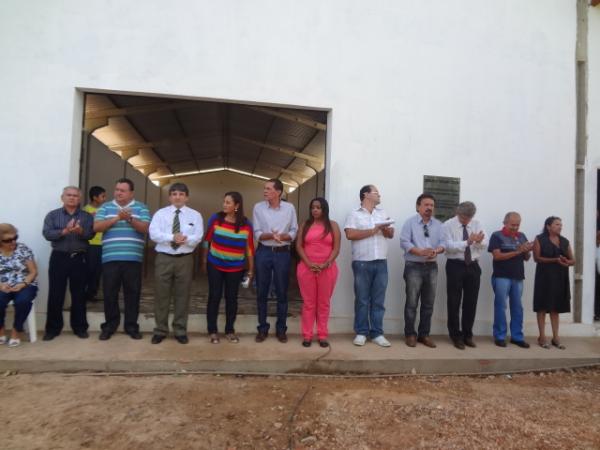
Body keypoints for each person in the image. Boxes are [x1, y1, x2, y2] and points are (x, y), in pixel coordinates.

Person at [93, 178, 150, 340]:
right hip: (110, 258)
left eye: (122, 190)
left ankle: (131, 327)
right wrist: (117, 218)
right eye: (117, 189)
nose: (118, 192)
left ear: (131, 193)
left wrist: (130, 219)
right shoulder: (105, 207)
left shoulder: (141, 208)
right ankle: (109, 326)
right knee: (110, 294)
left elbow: (146, 229)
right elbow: (96, 227)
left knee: (132, 294)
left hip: (133, 259)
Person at [149, 183, 203, 345]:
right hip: (164, 258)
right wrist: (172, 237)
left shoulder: (195, 215)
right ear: (169, 197)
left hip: (185, 259)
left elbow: (198, 236)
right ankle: (160, 330)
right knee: (161, 295)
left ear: (187, 197)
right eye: (174, 194)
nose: (177, 197)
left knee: (182, 295)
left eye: (181, 194)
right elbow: (154, 233)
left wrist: (185, 239)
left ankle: (180, 330)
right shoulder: (160, 214)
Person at [344, 185, 395, 347]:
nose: (379, 194)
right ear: (366, 195)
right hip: (361, 262)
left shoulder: (382, 213)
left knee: (378, 300)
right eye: (376, 192)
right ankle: (361, 332)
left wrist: (384, 229)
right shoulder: (354, 214)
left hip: (381, 261)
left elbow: (391, 234)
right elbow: (350, 234)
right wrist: (373, 230)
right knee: (362, 299)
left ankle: (377, 333)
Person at [42, 186, 94, 340]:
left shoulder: (86, 217)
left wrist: (80, 232)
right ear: (62, 197)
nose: (72, 198)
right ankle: (52, 329)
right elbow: (46, 233)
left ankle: (79, 327)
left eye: (75, 196)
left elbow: (91, 234)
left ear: (80, 198)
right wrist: (64, 231)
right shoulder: (52, 215)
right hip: (59, 257)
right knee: (55, 293)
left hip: (79, 258)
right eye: (68, 195)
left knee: (79, 294)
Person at [202, 191, 254, 344]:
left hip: (236, 268)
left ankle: (230, 330)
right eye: (224, 201)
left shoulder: (246, 224)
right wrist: (204, 261)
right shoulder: (216, 219)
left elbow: (250, 248)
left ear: (236, 206)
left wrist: (251, 270)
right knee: (214, 297)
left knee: (232, 299)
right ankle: (212, 331)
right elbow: (206, 241)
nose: (224, 205)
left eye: (228, 202)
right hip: (215, 264)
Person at [252, 179, 298, 343]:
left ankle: (281, 330)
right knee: (261, 292)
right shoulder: (258, 207)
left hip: (282, 253)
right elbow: (257, 232)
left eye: (268, 189)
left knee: (282, 292)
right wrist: (271, 236)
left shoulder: (289, 208)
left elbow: (294, 230)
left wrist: (284, 237)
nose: (265, 191)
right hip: (264, 251)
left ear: (278, 192)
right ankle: (262, 329)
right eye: (264, 188)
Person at [399, 193, 444, 348]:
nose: (429, 208)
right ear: (418, 206)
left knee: (428, 303)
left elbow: (443, 243)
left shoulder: (438, 225)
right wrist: (419, 252)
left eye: (431, 205)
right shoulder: (409, 223)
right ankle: (410, 334)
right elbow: (404, 241)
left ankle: (424, 335)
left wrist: (436, 250)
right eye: (426, 205)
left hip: (432, 267)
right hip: (414, 266)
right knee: (412, 302)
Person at [442, 201, 487, 350]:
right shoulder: (447, 225)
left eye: (469, 218)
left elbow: (484, 243)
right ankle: (456, 336)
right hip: (456, 265)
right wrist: (467, 242)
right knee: (454, 302)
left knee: (471, 302)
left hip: (473, 265)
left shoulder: (477, 223)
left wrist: (479, 242)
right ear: (457, 212)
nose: (466, 220)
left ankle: (468, 335)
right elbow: (448, 246)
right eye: (463, 217)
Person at [296, 197, 341, 348]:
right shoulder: (305, 225)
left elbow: (336, 248)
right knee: (309, 303)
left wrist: (326, 263)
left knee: (323, 303)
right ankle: (307, 335)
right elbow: (299, 246)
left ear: (324, 209)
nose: (315, 210)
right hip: (306, 268)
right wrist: (309, 263)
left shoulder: (333, 225)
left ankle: (322, 335)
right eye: (313, 207)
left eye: (318, 207)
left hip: (327, 268)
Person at [487, 212, 533, 348]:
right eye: (513, 224)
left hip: (518, 277)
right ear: (505, 223)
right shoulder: (496, 236)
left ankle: (517, 336)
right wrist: (518, 251)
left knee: (518, 308)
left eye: (518, 225)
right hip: (501, 276)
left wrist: (526, 250)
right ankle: (500, 336)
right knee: (501, 307)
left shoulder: (522, 235)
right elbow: (497, 256)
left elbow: (526, 258)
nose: (515, 227)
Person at [532, 216, 575, 349]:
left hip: (560, 278)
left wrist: (567, 262)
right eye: (557, 224)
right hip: (544, 277)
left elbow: (573, 260)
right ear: (548, 226)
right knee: (542, 307)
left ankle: (556, 338)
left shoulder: (564, 241)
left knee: (555, 308)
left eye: (561, 225)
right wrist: (554, 260)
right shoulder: (539, 239)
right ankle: (542, 337)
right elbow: (536, 258)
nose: (560, 226)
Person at [0, 224, 38, 347]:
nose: (13, 242)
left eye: (15, 238)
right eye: (7, 240)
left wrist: (23, 284)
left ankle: (17, 331)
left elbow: (33, 272)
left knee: (23, 301)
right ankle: (1, 330)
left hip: (25, 283)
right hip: (2, 285)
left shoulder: (23, 249)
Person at [83, 186, 106, 303]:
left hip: (103, 244)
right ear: (95, 198)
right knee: (89, 269)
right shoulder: (85, 210)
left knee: (98, 270)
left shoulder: (105, 209)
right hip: (90, 244)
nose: (105, 198)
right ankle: (85, 293)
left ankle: (93, 293)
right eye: (103, 196)